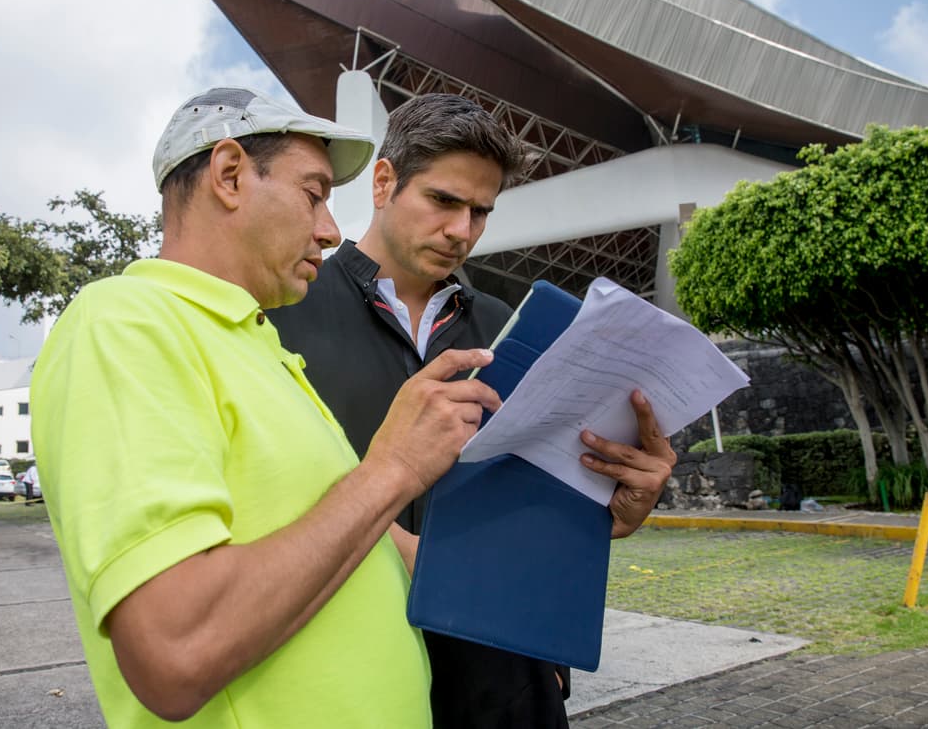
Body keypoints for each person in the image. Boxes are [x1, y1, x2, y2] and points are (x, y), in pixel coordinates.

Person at [29, 87, 504, 727]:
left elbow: (371, 549)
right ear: (228, 176)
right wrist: (391, 470)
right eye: (313, 193)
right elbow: (175, 651)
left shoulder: (261, 348)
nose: (331, 230)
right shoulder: (123, 323)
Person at [268, 93, 677, 728]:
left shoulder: (512, 331)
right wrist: (388, 545)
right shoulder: (281, 315)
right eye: (443, 201)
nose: (463, 230)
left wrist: (606, 512)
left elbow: (536, 499)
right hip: (347, 677)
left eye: (480, 212)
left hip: (508, 681)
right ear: (383, 182)